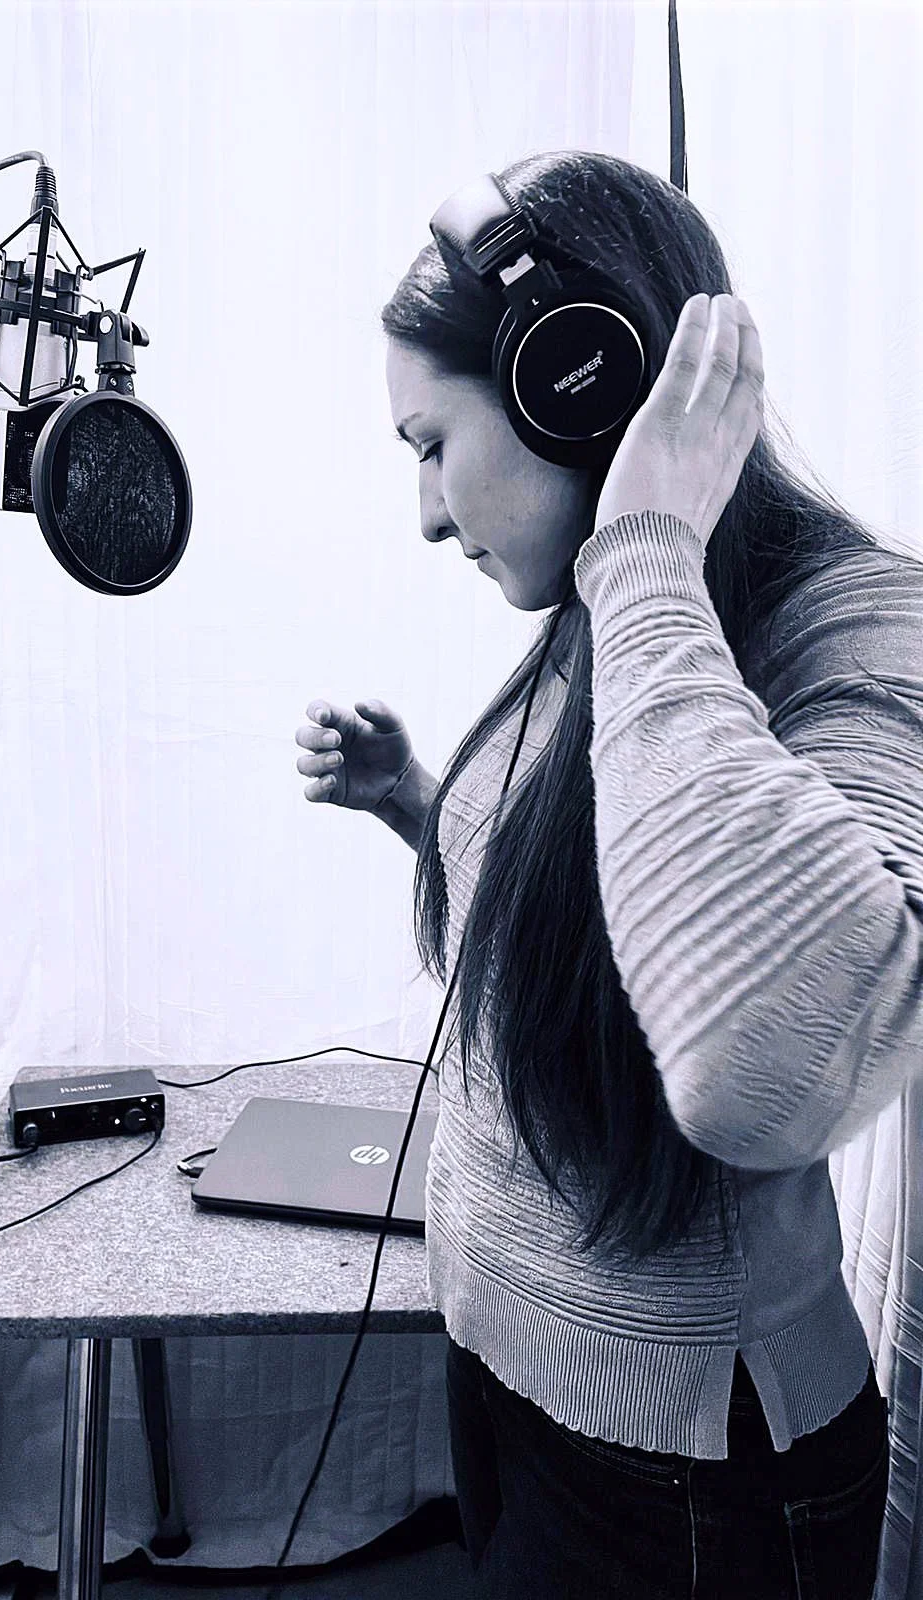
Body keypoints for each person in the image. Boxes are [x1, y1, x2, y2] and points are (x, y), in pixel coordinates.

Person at [293, 151, 923, 1600]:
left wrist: (645, 546)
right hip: (516, 1392)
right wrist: (418, 804)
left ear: (570, 388)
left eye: (431, 446)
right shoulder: (607, 618)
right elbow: (604, 925)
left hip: (686, 1480)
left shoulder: (855, 626)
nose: (428, 516)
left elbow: (760, 1061)